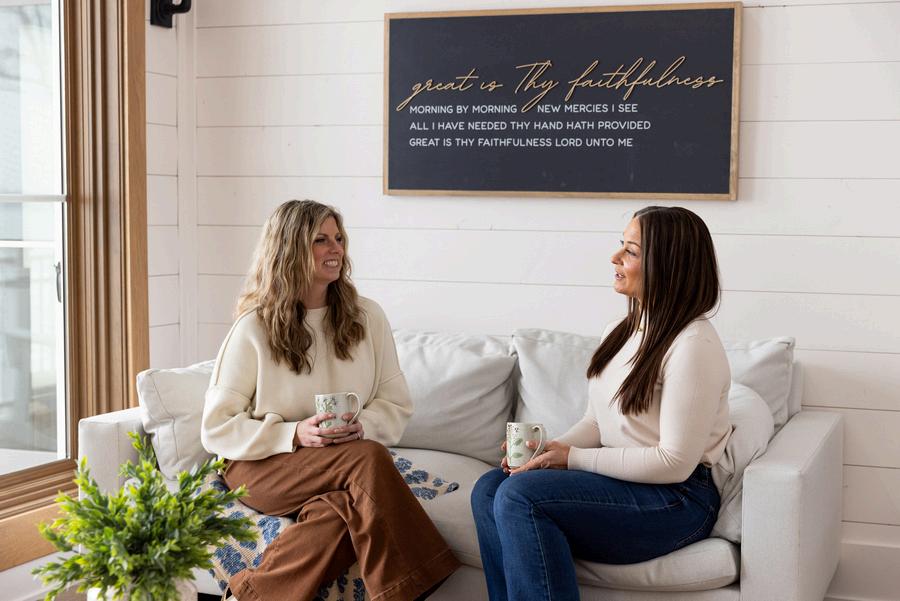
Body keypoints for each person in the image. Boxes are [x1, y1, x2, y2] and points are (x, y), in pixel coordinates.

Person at [201, 200, 459, 601]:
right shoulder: (253, 327)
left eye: (338, 238)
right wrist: (293, 433)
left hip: (340, 462)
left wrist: (364, 426)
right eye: (321, 240)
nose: (336, 248)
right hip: (261, 466)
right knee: (369, 459)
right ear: (290, 249)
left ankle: (248, 596)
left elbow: (395, 401)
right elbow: (217, 426)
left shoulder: (367, 317)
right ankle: (413, 585)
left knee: (339, 511)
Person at [471, 206, 732, 601]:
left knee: (520, 495)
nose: (615, 257)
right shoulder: (621, 331)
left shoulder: (693, 344)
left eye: (631, 251)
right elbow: (597, 422)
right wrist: (548, 451)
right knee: (492, 487)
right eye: (620, 245)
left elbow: (675, 462)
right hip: (619, 485)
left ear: (667, 264)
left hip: (676, 500)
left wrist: (572, 459)